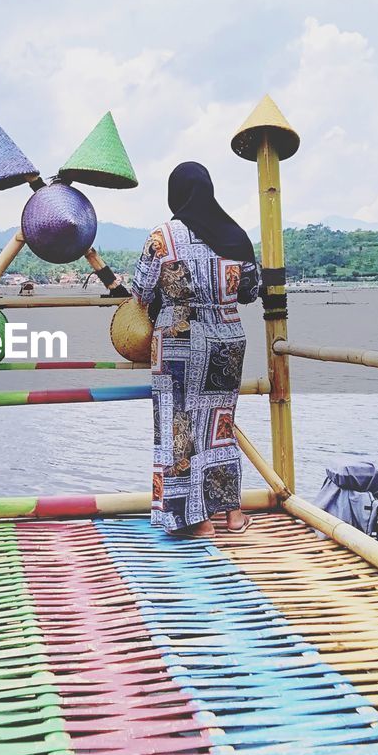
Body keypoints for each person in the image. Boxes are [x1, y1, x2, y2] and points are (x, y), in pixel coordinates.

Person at [132, 162, 261, 537]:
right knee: (219, 424)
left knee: (180, 426)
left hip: (179, 339)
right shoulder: (233, 234)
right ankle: (233, 515)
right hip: (226, 336)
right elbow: (250, 292)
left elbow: (141, 291)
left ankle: (197, 520)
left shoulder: (163, 238)